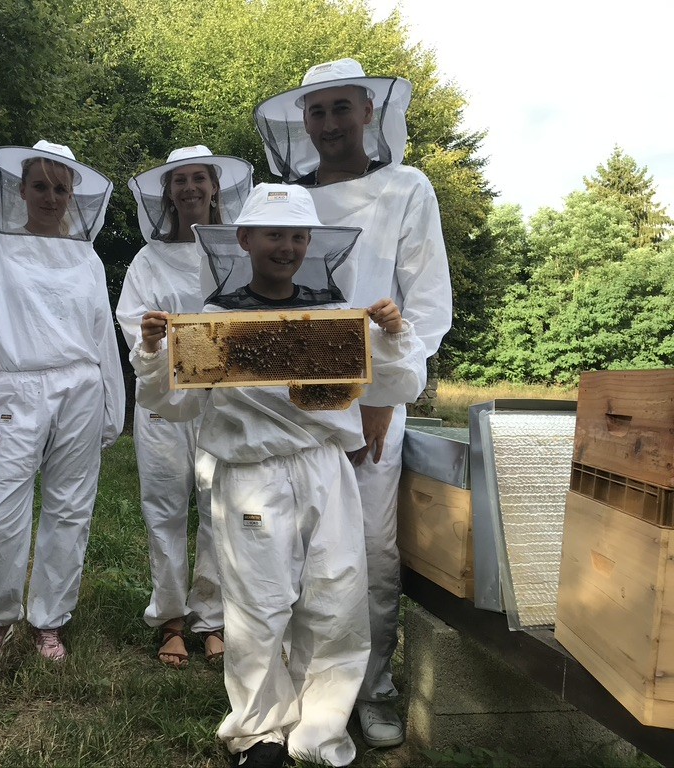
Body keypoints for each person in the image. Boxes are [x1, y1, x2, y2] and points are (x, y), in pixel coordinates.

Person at [131, 183, 427, 767]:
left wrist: (394, 334)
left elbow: (397, 385)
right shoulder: (212, 322)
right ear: (244, 239)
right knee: (258, 605)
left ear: (310, 242)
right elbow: (173, 404)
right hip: (251, 475)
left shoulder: (336, 317)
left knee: (336, 598)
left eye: (296, 236)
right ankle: (259, 734)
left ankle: (319, 733)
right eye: (274, 234)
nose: (286, 247)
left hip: (326, 470)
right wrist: (153, 350)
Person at [254, 58, 453, 748]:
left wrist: (384, 397)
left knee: (369, 550)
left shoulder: (408, 187)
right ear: (303, 122)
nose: (331, 123)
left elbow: (427, 305)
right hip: (290, 403)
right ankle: (298, 690)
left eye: (343, 109)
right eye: (318, 112)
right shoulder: (285, 198)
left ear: (368, 112)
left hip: (372, 402)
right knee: (289, 546)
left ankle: (373, 687)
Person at [0, 140, 125, 663]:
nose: (50, 197)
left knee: (70, 509)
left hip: (80, 388)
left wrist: (112, 404)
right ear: (20, 190)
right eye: (40, 186)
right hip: (15, 387)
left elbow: (102, 336)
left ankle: (49, 621)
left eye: (60, 188)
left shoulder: (87, 256)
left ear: (73, 195)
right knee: (1, 512)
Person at [116, 145, 253, 668]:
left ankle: (213, 617)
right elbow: (135, 327)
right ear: (168, 192)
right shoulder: (148, 259)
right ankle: (171, 619)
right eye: (180, 181)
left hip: (224, 400)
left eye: (199, 179)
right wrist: (152, 339)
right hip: (161, 402)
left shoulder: (238, 251)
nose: (191, 189)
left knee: (220, 508)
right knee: (165, 507)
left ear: (215, 186)